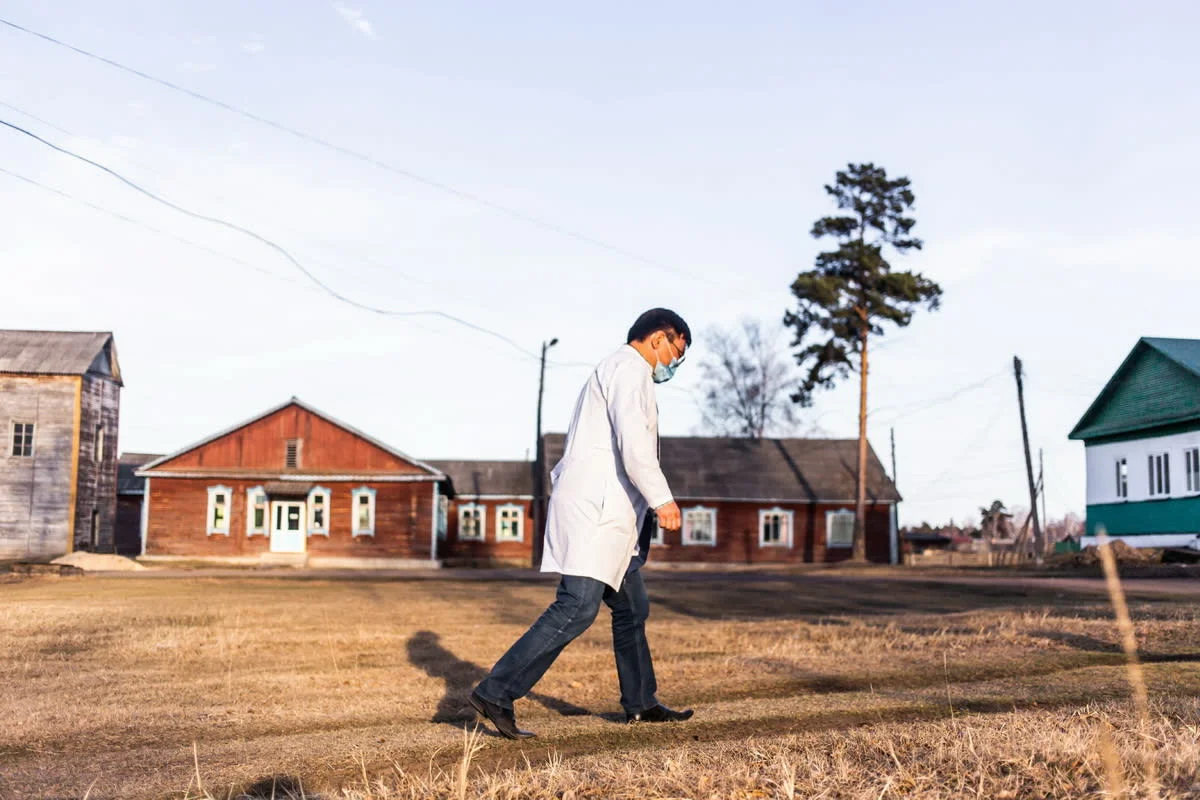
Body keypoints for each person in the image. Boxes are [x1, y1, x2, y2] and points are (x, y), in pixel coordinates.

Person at [469, 308, 695, 739]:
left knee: (631, 608)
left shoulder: (622, 371)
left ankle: (642, 703)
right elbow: (634, 445)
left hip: (612, 518)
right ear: (657, 339)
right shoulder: (629, 371)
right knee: (576, 606)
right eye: (676, 353)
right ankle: (496, 691)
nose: (674, 364)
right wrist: (662, 498)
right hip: (596, 512)